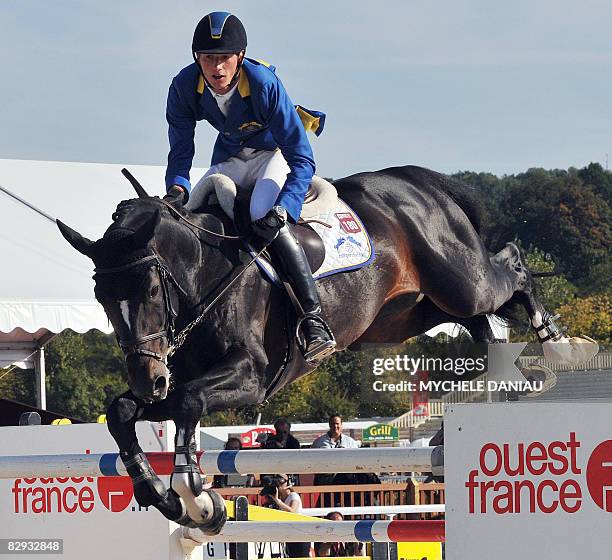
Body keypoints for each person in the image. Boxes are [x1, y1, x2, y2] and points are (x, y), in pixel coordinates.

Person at [164, 11, 335, 364]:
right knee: (194, 211)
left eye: (224, 58)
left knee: (261, 210)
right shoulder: (183, 86)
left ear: (239, 57)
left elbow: (302, 157)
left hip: (276, 152)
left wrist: (284, 206)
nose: (216, 68)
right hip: (232, 155)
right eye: (208, 58)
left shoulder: (263, 84)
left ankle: (313, 317)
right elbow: (181, 149)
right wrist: (178, 188)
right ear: (196, 58)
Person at [260, 474, 310, 558]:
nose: (279, 485)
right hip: (290, 534)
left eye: (281, 482)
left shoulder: (293, 495)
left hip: (300, 534)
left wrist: (278, 501)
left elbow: (292, 511)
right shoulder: (281, 497)